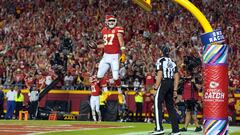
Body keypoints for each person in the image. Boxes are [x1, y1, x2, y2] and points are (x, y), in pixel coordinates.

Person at [93, 15, 126, 93]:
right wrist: (96, 46)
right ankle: (106, 92)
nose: (111, 22)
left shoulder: (118, 29)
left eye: (112, 21)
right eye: (109, 21)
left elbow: (121, 42)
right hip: (106, 55)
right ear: (106, 22)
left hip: (114, 55)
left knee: (115, 77)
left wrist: (123, 53)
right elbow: (105, 45)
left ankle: (119, 91)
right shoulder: (104, 30)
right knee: (99, 75)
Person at [152, 46, 180, 135]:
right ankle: (176, 130)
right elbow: (176, 77)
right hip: (171, 84)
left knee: (157, 104)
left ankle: (159, 128)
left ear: (161, 52)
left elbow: (160, 74)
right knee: (170, 107)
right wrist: (175, 90)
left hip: (163, 83)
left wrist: (156, 87)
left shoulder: (160, 60)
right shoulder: (172, 62)